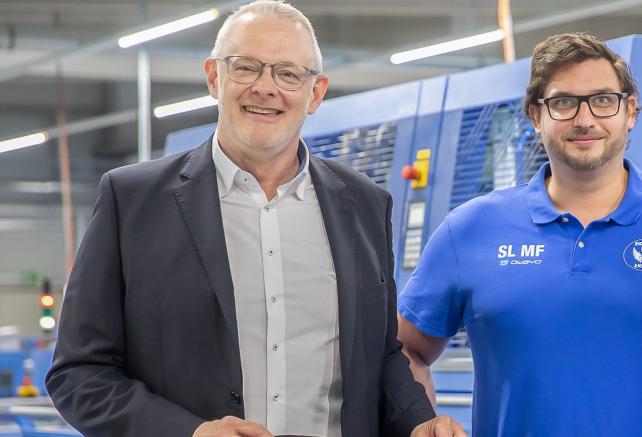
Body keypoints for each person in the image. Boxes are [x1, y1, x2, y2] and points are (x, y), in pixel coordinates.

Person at [45, 2, 464, 436]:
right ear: (214, 77)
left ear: (315, 92)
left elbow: (379, 356)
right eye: (246, 67)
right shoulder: (132, 201)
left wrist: (420, 423)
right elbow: (78, 374)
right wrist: (189, 433)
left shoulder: (364, 204)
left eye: (287, 74)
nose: (266, 88)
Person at [396, 32, 642, 436]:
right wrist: (422, 419)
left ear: (629, 111)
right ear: (535, 116)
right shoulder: (470, 230)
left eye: (602, 100)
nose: (585, 119)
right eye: (563, 103)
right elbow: (405, 348)